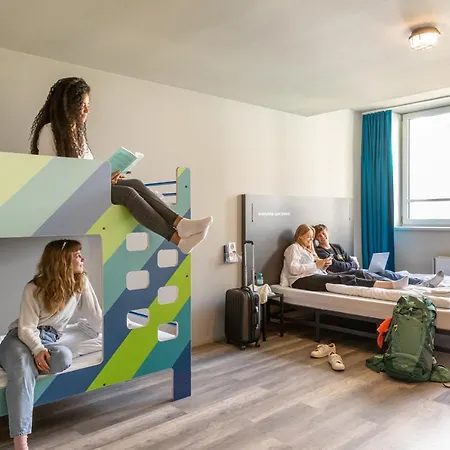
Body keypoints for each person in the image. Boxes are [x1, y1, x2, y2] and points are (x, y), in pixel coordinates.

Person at [30, 77, 212, 255]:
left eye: (88, 105)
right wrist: (99, 180)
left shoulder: (78, 136)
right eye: (82, 105)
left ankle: (181, 223)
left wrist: (108, 175)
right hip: (70, 195)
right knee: (128, 194)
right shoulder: (49, 131)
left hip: (89, 188)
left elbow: (88, 169)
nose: (86, 110)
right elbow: (53, 177)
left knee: (135, 183)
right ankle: (179, 241)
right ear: (67, 105)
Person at [0, 239, 102, 450]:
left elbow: (95, 315)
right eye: (77, 255)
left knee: (63, 357)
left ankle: (8, 359)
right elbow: (26, 328)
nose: (82, 259)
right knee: (23, 370)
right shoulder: (34, 288)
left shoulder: (80, 282)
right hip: (20, 338)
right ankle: (21, 442)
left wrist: (115, 333)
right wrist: (37, 350)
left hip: (50, 339)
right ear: (62, 260)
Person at [280, 224, 410, 292]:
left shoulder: (308, 250)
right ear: (300, 236)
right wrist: (316, 265)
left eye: (311, 237)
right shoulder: (293, 248)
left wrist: (323, 265)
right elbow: (293, 269)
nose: (310, 240)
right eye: (308, 237)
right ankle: (390, 285)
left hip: (313, 275)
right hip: (300, 280)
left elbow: (316, 267)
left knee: (355, 273)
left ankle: (395, 283)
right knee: (341, 278)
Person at [313, 224, 444, 288]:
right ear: (316, 239)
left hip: (353, 269)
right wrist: (350, 264)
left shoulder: (336, 246)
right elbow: (337, 267)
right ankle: (398, 285)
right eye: (319, 236)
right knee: (367, 274)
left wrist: (350, 264)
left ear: (327, 232)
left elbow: (350, 261)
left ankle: (420, 282)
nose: (323, 237)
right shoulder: (320, 252)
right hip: (346, 275)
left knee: (383, 271)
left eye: (324, 233)